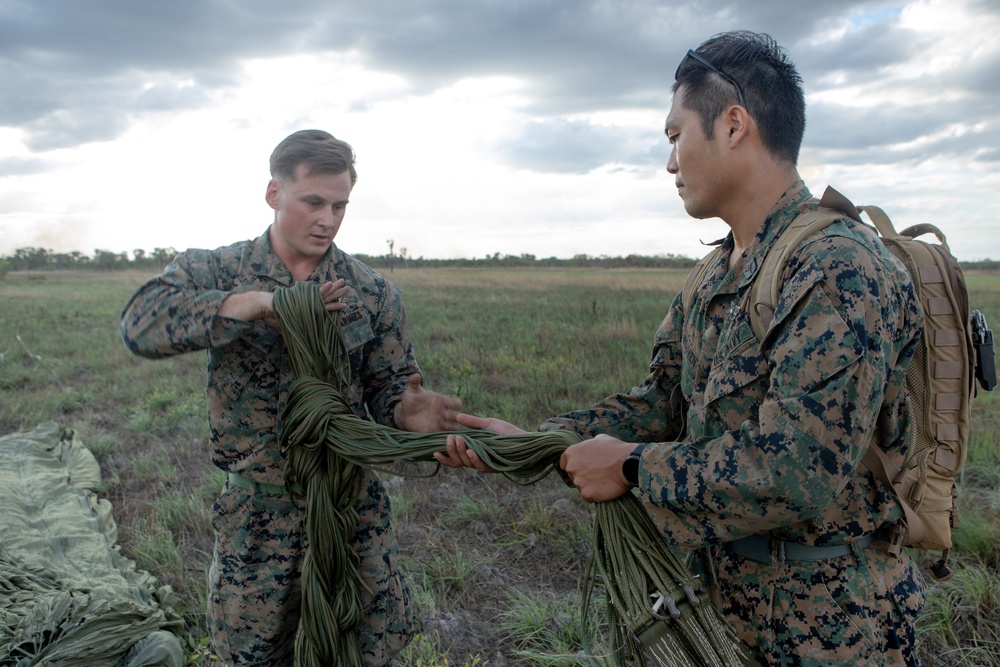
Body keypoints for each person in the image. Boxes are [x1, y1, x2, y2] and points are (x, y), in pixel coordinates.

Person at [438, 31, 926, 665]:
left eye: (675, 136)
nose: (670, 162)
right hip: (718, 618)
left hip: (830, 630)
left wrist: (634, 467)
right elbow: (662, 403)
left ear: (731, 125)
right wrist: (536, 443)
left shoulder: (837, 267)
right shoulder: (716, 274)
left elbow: (798, 469)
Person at [121, 129, 461, 666]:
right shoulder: (220, 270)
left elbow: (389, 390)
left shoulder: (370, 291)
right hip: (257, 521)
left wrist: (406, 412)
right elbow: (140, 324)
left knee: (362, 653)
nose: (328, 219)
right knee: (253, 658)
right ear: (275, 194)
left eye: (340, 205)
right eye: (314, 202)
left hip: (351, 518)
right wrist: (256, 303)